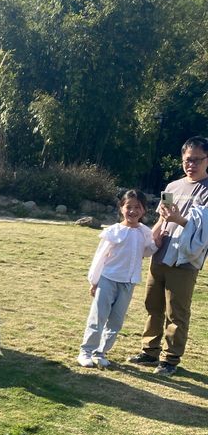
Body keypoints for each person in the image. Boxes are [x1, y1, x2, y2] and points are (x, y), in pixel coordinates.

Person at [129, 136, 208, 376]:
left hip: (184, 260)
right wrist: (149, 240)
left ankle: (170, 359)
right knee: (153, 306)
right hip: (160, 255)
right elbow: (161, 219)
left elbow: (204, 229)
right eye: (187, 160)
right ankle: (149, 351)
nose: (191, 165)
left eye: (196, 160)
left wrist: (178, 219)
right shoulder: (173, 187)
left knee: (177, 311)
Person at [78, 189, 156, 369]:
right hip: (108, 279)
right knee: (98, 318)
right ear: (121, 208)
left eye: (138, 207)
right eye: (129, 207)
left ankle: (101, 352)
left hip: (128, 283)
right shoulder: (113, 231)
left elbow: (147, 250)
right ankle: (86, 351)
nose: (133, 211)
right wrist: (94, 281)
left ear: (144, 210)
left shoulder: (145, 232)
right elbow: (100, 257)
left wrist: (159, 238)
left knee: (116, 321)